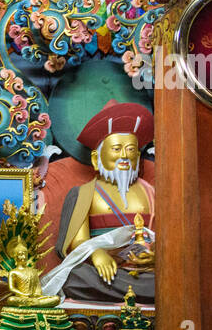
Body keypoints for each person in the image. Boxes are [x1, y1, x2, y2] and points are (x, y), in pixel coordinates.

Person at [48, 100, 155, 304]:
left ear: (138, 158)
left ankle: (143, 287)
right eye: (116, 149)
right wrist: (97, 254)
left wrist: (155, 258)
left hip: (144, 272)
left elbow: (167, 239)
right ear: (97, 159)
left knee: (172, 276)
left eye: (131, 150)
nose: (124, 156)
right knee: (73, 276)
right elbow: (73, 243)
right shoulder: (84, 194)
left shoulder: (151, 193)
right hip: (101, 273)